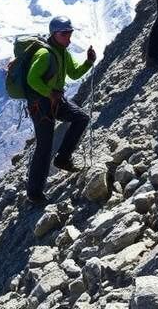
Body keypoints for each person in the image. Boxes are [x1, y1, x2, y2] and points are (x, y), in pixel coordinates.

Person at [25, 17, 96, 207]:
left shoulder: (62, 53)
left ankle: (63, 158)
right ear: (54, 34)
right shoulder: (44, 54)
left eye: (70, 34)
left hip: (55, 100)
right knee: (44, 145)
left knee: (81, 118)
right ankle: (34, 193)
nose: (68, 38)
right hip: (41, 104)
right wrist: (50, 93)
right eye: (65, 34)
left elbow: (73, 73)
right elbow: (32, 80)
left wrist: (88, 62)